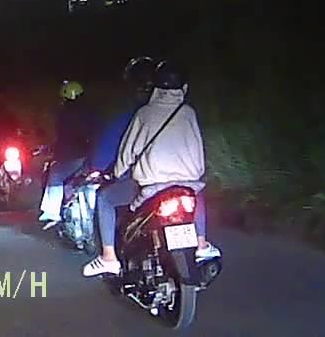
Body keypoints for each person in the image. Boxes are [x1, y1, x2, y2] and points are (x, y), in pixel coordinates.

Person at [82, 60, 221, 277]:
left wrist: (116, 174)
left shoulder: (144, 114)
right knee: (196, 194)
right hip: (187, 185)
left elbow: (128, 152)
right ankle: (201, 244)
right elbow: (198, 148)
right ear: (184, 88)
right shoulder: (188, 113)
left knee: (104, 198)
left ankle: (108, 257)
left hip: (151, 187)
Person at [38, 80, 95, 228]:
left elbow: (61, 137)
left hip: (72, 157)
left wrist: (50, 149)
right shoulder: (90, 112)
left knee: (55, 175)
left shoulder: (65, 114)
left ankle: (52, 212)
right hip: (91, 156)